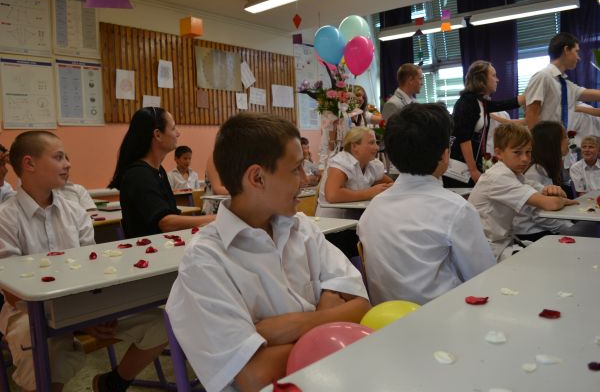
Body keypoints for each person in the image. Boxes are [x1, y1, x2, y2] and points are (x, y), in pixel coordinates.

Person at [165, 112, 370, 392]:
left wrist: (298, 324)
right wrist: (329, 310)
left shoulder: (302, 229)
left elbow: (361, 306)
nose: (305, 180)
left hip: (332, 379)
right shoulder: (206, 261)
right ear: (258, 177)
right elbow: (255, 376)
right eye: (296, 169)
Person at [0, 131, 168, 392]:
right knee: (45, 350)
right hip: (28, 313)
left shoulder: (74, 211)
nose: (68, 164)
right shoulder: (6, 218)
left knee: (162, 324)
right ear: (29, 163)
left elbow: (92, 270)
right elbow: (13, 293)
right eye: (58, 157)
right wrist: (79, 319)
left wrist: (91, 313)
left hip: (84, 304)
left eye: (66, 157)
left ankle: (113, 383)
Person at [358, 103, 495, 305]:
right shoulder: (455, 209)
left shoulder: (373, 209)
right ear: (445, 154)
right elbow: (484, 277)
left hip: (385, 318)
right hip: (444, 315)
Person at [468, 123, 578, 261]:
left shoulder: (515, 175)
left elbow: (543, 190)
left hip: (503, 242)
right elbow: (550, 204)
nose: (525, 158)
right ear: (499, 153)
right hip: (487, 249)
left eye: (528, 152)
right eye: (517, 152)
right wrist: (561, 200)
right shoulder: (498, 177)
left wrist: (552, 190)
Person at [108, 107, 214, 238]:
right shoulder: (138, 175)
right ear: (158, 134)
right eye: (173, 128)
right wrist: (216, 219)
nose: (178, 133)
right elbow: (166, 222)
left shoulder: (159, 171)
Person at [448, 60, 524, 186]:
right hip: (460, 169)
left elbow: (505, 104)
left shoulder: (480, 102)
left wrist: (529, 95)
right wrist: (473, 170)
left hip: (469, 166)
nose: (497, 80)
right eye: (493, 75)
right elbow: (464, 139)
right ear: (481, 79)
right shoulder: (467, 102)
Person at [513, 121, 574, 242]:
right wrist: (572, 229)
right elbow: (540, 216)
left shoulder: (543, 167)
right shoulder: (535, 172)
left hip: (541, 228)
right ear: (553, 143)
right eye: (565, 137)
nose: (568, 141)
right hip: (531, 233)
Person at [525, 32, 600, 129]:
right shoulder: (542, 76)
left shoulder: (566, 85)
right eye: (576, 51)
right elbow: (532, 113)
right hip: (545, 137)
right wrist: (536, 138)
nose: (578, 57)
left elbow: (591, 94)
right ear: (566, 50)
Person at [316, 126, 393, 219]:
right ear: (354, 146)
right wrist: (369, 193)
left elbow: (390, 184)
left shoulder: (372, 165)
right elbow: (332, 195)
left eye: (376, 143)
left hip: (356, 220)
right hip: (332, 221)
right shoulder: (341, 162)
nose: (377, 147)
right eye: (371, 143)